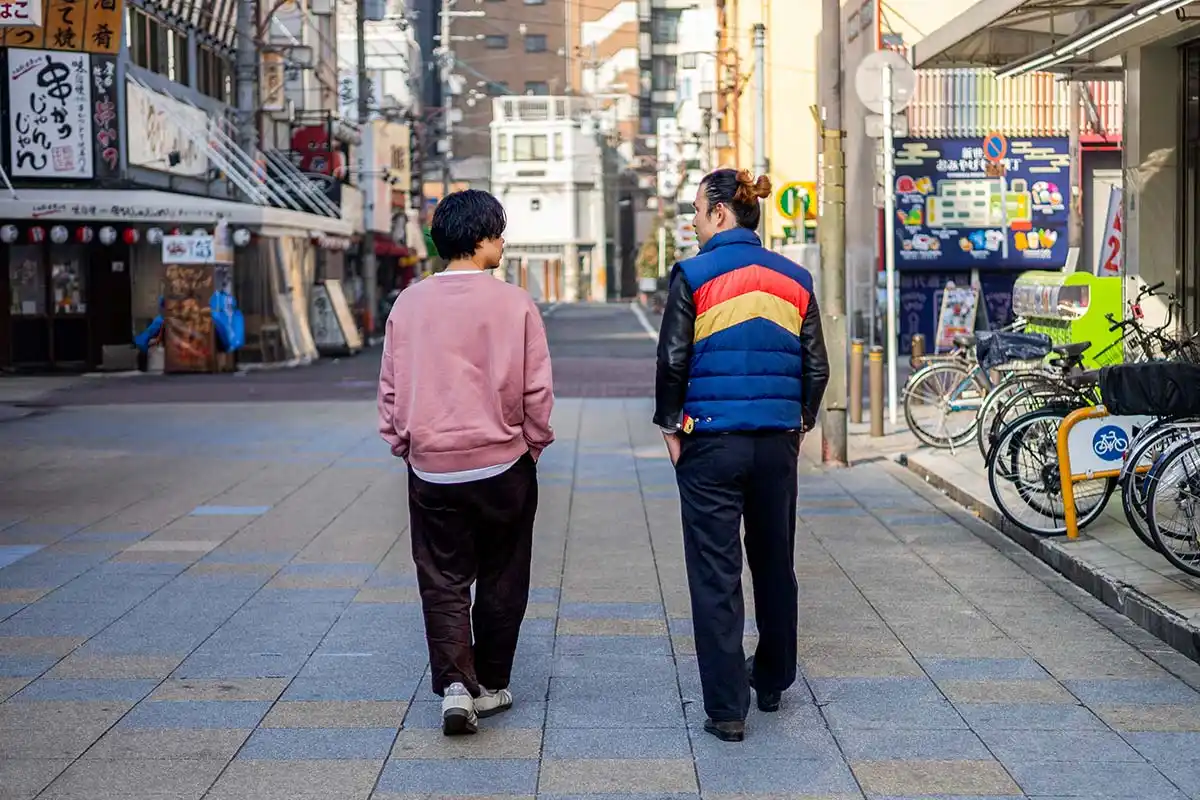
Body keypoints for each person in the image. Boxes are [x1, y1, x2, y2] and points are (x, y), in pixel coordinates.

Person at [654, 168, 830, 742]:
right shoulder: (795, 278)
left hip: (710, 442)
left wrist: (669, 426)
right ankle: (774, 679)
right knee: (775, 562)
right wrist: (797, 422)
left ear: (722, 213)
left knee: (716, 573)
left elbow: (673, 361)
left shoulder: (694, 274)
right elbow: (816, 367)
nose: (695, 222)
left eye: (699, 212)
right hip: (776, 443)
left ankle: (728, 710)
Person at [377, 189, 555, 736]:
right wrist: (534, 442)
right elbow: (536, 389)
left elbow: (391, 386)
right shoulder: (515, 303)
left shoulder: (409, 303)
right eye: (498, 233)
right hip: (503, 463)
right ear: (479, 239)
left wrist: (403, 440)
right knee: (504, 574)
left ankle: (456, 685)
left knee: (443, 577)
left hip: (432, 466)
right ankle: (492, 683)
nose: (503, 242)